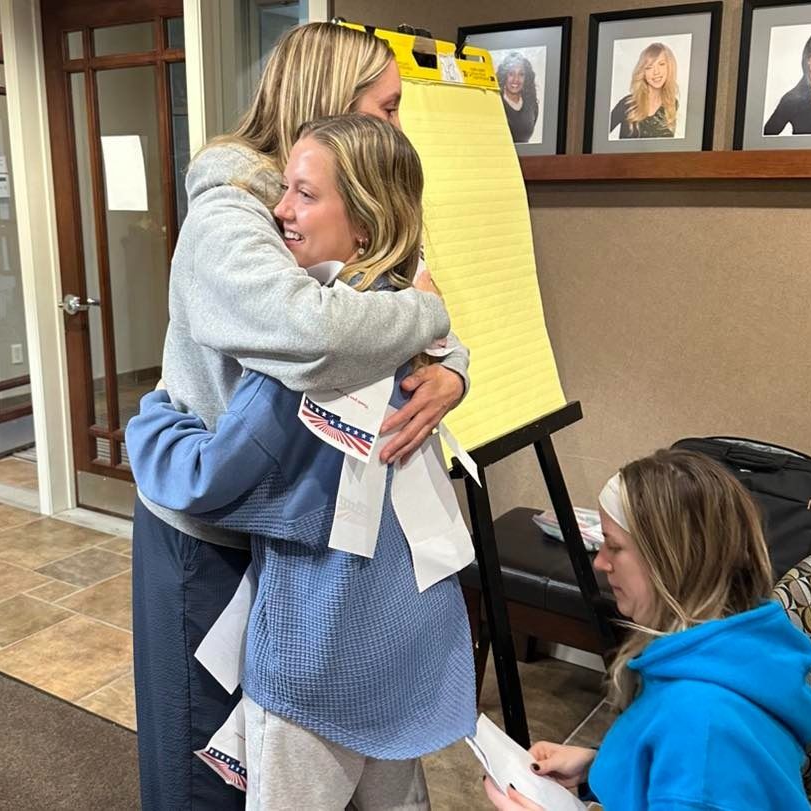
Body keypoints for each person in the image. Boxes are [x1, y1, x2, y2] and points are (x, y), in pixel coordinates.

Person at [130, 22, 472, 810]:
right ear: (330, 106)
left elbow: (417, 313)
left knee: (266, 755)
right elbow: (317, 334)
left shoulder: (354, 221)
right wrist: (148, 427)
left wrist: (451, 371)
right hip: (208, 531)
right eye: (385, 106)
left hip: (284, 527)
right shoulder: (232, 217)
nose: (395, 126)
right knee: (204, 764)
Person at [485, 449, 811, 811]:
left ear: (674, 562)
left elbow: (696, 767)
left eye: (615, 546)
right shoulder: (734, 648)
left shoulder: (700, 722)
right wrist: (600, 766)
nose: (601, 562)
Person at [609, 42, 679, 139]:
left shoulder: (672, 104)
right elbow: (597, 136)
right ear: (643, 72)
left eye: (661, 64)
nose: (656, 72)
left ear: (669, 67)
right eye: (649, 67)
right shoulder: (627, 104)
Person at [497, 52, 539, 143]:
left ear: (526, 78)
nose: (516, 79)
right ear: (504, 76)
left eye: (521, 74)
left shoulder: (531, 104)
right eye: (511, 74)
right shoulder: (495, 102)